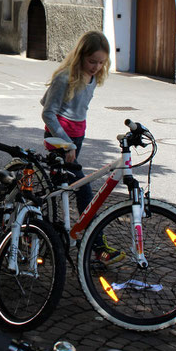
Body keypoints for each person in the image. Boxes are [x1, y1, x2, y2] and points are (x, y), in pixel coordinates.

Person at [40, 31, 118, 263]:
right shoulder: (65, 78)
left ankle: (46, 233)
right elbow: (47, 112)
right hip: (59, 141)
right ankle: (97, 245)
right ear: (80, 56)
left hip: (76, 138)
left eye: (101, 62)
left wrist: (75, 140)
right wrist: (65, 144)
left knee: (57, 189)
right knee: (83, 188)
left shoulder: (93, 78)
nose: (96, 67)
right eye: (92, 61)